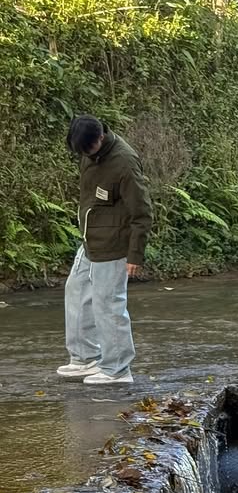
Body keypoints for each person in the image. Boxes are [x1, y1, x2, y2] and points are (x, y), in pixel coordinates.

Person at [57, 115, 152, 385]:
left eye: (88, 149)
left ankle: (118, 369)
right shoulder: (88, 152)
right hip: (91, 240)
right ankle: (85, 358)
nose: (85, 154)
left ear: (100, 138)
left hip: (115, 245)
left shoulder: (124, 163)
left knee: (108, 305)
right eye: (81, 151)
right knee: (75, 292)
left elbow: (143, 213)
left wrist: (135, 254)